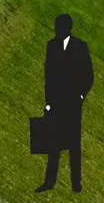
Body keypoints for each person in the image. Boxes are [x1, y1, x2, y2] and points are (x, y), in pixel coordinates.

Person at [42, 13, 92, 193]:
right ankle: (49, 181)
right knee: (53, 144)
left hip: (72, 104)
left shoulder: (80, 47)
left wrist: (80, 96)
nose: (56, 30)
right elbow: (48, 76)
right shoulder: (52, 46)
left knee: (73, 145)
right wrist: (48, 101)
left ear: (66, 28)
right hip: (56, 103)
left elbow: (88, 75)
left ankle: (76, 184)